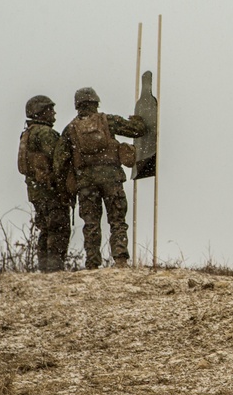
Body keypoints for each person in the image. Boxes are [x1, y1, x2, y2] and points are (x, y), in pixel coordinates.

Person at [53, 87, 147, 269]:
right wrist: (138, 120)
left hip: (86, 183)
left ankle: (92, 263)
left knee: (91, 223)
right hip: (111, 178)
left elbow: (59, 162)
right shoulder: (107, 121)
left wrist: (68, 181)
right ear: (96, 103)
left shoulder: (70, 129)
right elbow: (138, 130)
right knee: (117, 220)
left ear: (77, 105)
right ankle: (120, 259)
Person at [17, 95, 71, 272]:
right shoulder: (46, 133)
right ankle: (54, 269)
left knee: (45, 229)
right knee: (58, 228)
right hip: (50, 190)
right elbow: (59, 161)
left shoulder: (27, 133)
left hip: (35, 191)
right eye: (50, 109)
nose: (54, 113)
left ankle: (44, 267)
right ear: (41, 112)